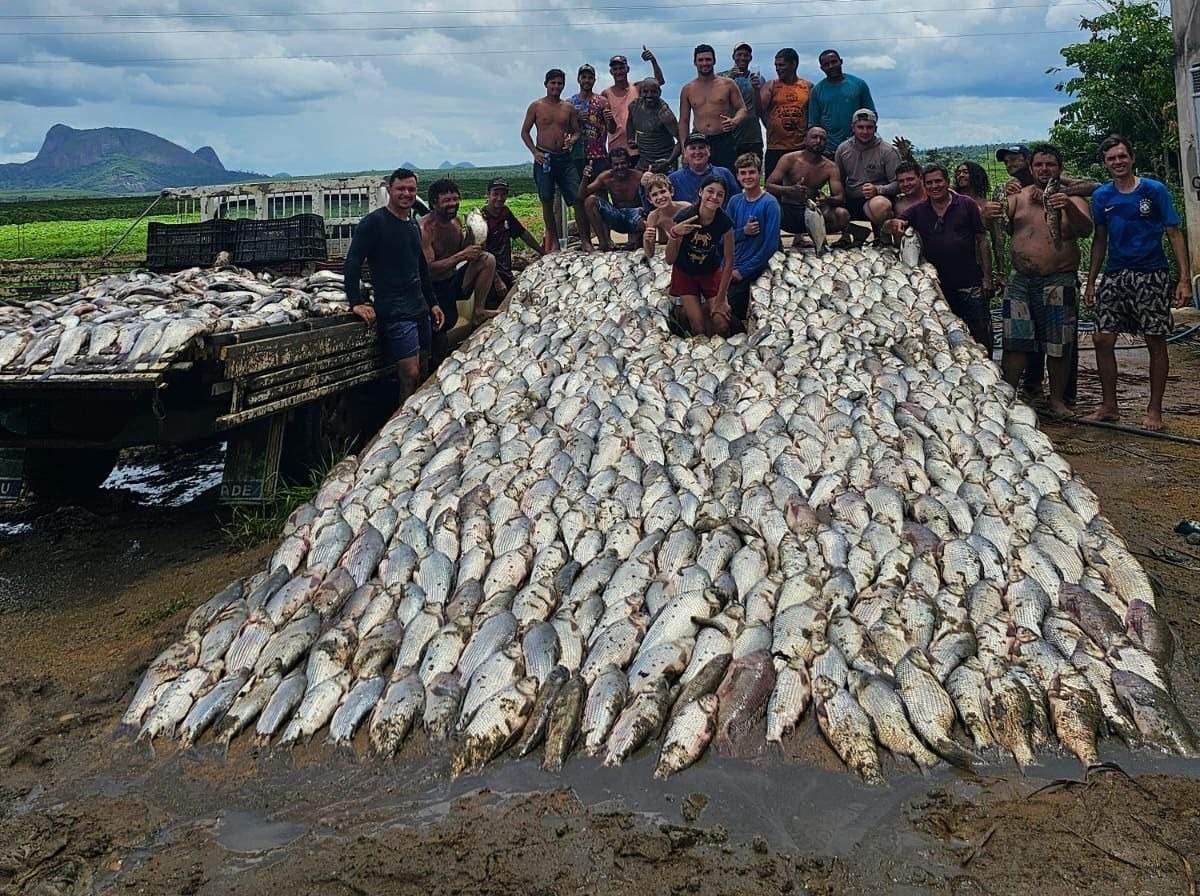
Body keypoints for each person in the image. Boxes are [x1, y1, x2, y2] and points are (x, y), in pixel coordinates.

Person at [1084, 134, 1192, 431]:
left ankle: (1154, 409)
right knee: (1102, 338)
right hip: (1116, 273)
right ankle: (1109, 405)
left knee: (1154, 340)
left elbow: (1174, 233)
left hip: (1151, 273)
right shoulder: (1102, 197)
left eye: (1122, 156)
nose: (1117, 162)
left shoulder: (1154, 191)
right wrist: (1092, 281)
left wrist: (1184, 279)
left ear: (1132, 158)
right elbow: (1100, 239)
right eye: (1111, 158)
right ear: (1105, 164)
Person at [983, 144, 1092, 417]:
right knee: (1015, 342)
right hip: (1021, 280)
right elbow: (995, 222)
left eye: (1050, 165)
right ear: (1031, 169)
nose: (1044, 170)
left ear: (1059, 169)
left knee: (1059, 343)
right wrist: (989, 212)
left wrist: (1068, 206)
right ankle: (1009, 396)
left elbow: (1085, 229)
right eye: (1039, 165)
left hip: (1059, 278)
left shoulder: (1072, 198)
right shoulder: (1018, 196)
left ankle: (1057, 400)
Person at [344, 168, 444, 403]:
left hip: (419, 309)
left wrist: (433, 304)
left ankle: (415, 416)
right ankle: (401, 426)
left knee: (423, 368)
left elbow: (421, 269)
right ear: (390, 190)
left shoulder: (412, 227)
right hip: (395, 311)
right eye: (401, 189)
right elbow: (353, 261)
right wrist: (356, 302)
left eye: (411, 189)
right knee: (410, 373)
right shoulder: (374, 223)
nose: (406, 193)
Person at [886, 164, 994, 351]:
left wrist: (987, 277)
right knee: (946, 334)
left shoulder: (966, 204)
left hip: (970, 283)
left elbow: (982, 240)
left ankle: (989, 370)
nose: (934, 186)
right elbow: (891, 225)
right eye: (930, 183)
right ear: (924, 185)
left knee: (980, 333)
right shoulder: (917, 211)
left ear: (947, 182)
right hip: (937, 287)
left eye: (938, 181)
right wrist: (892, 223)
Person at [420, 177, 496, 363]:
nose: (452, 204)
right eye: (446, 201)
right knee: (442, 328)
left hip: (452, 279)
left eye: (455, 199)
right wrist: (462, 256)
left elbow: (463, 248)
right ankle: (433, 364)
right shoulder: (425, 229)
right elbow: (428, 270)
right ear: (434, 203)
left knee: (487, 259)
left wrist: (475, 234)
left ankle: (479, 310)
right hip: (433, 287)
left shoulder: (456, 222)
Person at [667, 175, 736, 337]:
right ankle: (686, 311)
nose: (714, 197)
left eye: (720, 194)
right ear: (700, 192)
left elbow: (729, 261)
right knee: (698, 328)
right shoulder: (684, 217)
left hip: (710, 272)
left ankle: (703, 307)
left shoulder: (725, 223)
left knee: (721, 322)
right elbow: (669, 259)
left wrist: (720, 300)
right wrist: (675, 234)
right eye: (710, 191)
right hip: (685, 272)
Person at [520, 68, 580, 253]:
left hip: (564, 158)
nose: (556, 86)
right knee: (546, 199)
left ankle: (585, 238)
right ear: (546, 84)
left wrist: (572, 140)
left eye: (559, 83)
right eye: (553, 83)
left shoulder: (568, 107)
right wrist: (534, 152)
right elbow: (525, 132)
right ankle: (552, 241)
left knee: (577, 198)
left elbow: (577, 131)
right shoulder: (536, 106)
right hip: (544, 157)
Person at [725, 153, 781, 331]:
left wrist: (743, 271)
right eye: (743, 173)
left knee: (731, 313)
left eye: (751, 172)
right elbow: (723, 237)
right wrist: (744, 232)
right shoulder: (734, 201)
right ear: (737, 176)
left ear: (760, 174)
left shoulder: (770, 204)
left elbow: (771, 246)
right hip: (731, 264)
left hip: (753, 268)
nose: (747, 177)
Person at [765, 125, 848, 238]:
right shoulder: (789, 159)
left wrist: (827, 200)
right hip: (788, 211)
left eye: (822, 139)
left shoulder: (830, 167)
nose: (818, 141)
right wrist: (790, 190)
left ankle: (819, 241)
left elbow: (840, 197)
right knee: (769, 206)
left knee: (842, 215)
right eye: (814, 137)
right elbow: (769, 186)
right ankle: (775, 243)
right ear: (805, 139)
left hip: (813, 213)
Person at [678, 44, 749, 171]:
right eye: (701, 60)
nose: (704, 63)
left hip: (723, 140)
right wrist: (684, 150)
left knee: (727, 179)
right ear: (695, 62)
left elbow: (742, 109)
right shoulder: (688, 89)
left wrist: (734, 121)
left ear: (714, 61)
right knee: (699, 181)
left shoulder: (728, 84)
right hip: (699, 140)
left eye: (708, 59)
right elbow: (683, 121)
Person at [834, 108, 899, 241]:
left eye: (869, 127)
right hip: (851, 199)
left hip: (879, 199)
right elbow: (838, 180)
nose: (865, 131)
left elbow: (899, 184)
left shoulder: (888, 151)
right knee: (827, 211)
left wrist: (879, 189)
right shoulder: (843, 149)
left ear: (875, 128)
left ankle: (883, 237)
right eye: (860, 127)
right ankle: (849, 236)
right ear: (853, 128)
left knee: (878, 205)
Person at [480, 177, 543, 311]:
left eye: (503, 194)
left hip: (506, 273)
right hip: (489, 280)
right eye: (495, 194)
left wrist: (542, 252)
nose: (499, 198)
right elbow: (481, 254)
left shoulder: (505, 212)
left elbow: (522, 233)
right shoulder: (481, 219)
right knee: (494, 315)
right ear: (487, 194)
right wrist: (497, 281)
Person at [759, 47, 813, 178]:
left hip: (799, 147)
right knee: (773, 187)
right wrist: (770, 125)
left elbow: (813, 115)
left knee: (798, 186)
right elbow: (760, 110)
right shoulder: (771, 85)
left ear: (793, 64)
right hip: (775, 148)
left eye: (782, 65)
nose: (778, 69)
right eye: (776, 65)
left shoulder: (807, 86)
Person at [808, 50, 875, 152]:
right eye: (826, 64)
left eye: (834, 62)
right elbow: (813, 123)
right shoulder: (817, 90)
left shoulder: (859, 85)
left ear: (841, 61)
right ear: (821, 68)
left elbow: (871, 116)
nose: (831, 66)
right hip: (828, 150)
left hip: (856, 148)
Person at [602, 49, 666, 153]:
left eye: (621, 68)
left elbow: (659, 81)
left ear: (627, 69)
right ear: (611, 72)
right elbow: (606, 125)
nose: (619, 72)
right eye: (615, 69)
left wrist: (652, 60)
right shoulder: (606, 94)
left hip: (638, 147)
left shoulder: (637, 88)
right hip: (616, 148)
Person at [582, 147, 645, 251]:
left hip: (635, 216)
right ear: (611, 165)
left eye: (623, 163)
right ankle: (603, 242)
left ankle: (637, 240)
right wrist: (585, 177)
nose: (620, 167)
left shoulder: (638, 176)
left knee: (636, 246)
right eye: (616, 164)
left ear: (629, 163)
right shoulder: (606, 177)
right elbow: (582, 195)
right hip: (616, 215)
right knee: (590, 201)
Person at [570, 64, 615, 181]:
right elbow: (565, 129)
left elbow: (612, 129)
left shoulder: (602, 101)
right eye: (584, 77)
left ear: (594, 80)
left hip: (598, 155)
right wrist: (576, 118)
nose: (587, 80)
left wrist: (610, 119)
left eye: (590, 78)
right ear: (578, 79)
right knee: (578, 193)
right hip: (577, 155)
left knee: (600, 191)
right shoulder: (570, 103)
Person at [721, 43, 765, 163]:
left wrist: (756, 89)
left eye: (746, 55)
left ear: (750, 58)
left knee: (752, 173)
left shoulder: (758, 78)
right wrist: (730, 78)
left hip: (752, 137)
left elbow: (760, 110)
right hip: (729, 136)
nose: (743, 58)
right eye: (739, 54)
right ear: (733, 57)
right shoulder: (721, 77)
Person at [626, 78, 680, 172]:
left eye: (653, 92)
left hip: (664, 164)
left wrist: (669, 161)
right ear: (641, 92)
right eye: (645, 92)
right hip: (644, 163)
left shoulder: (664, 114)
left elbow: (682, 140)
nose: (649, 95)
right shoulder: (634, 106)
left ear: (659, 92)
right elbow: (630, 122)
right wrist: (630, 138)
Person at [669, 132, 739, 204]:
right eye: (693, 148)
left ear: (709, 151)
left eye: (701, 147)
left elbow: (737, 202)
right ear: (685, 153)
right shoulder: (674, 179)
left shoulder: (724, 173)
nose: (697, 152)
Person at [643, 172, 692, 255]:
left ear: (671, 192)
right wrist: (646, 239)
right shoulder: (653, 217)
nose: (660, 197)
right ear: (650, 200)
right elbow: (650, 253)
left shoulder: (686, 208)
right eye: (654, 195)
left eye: (663, 192)